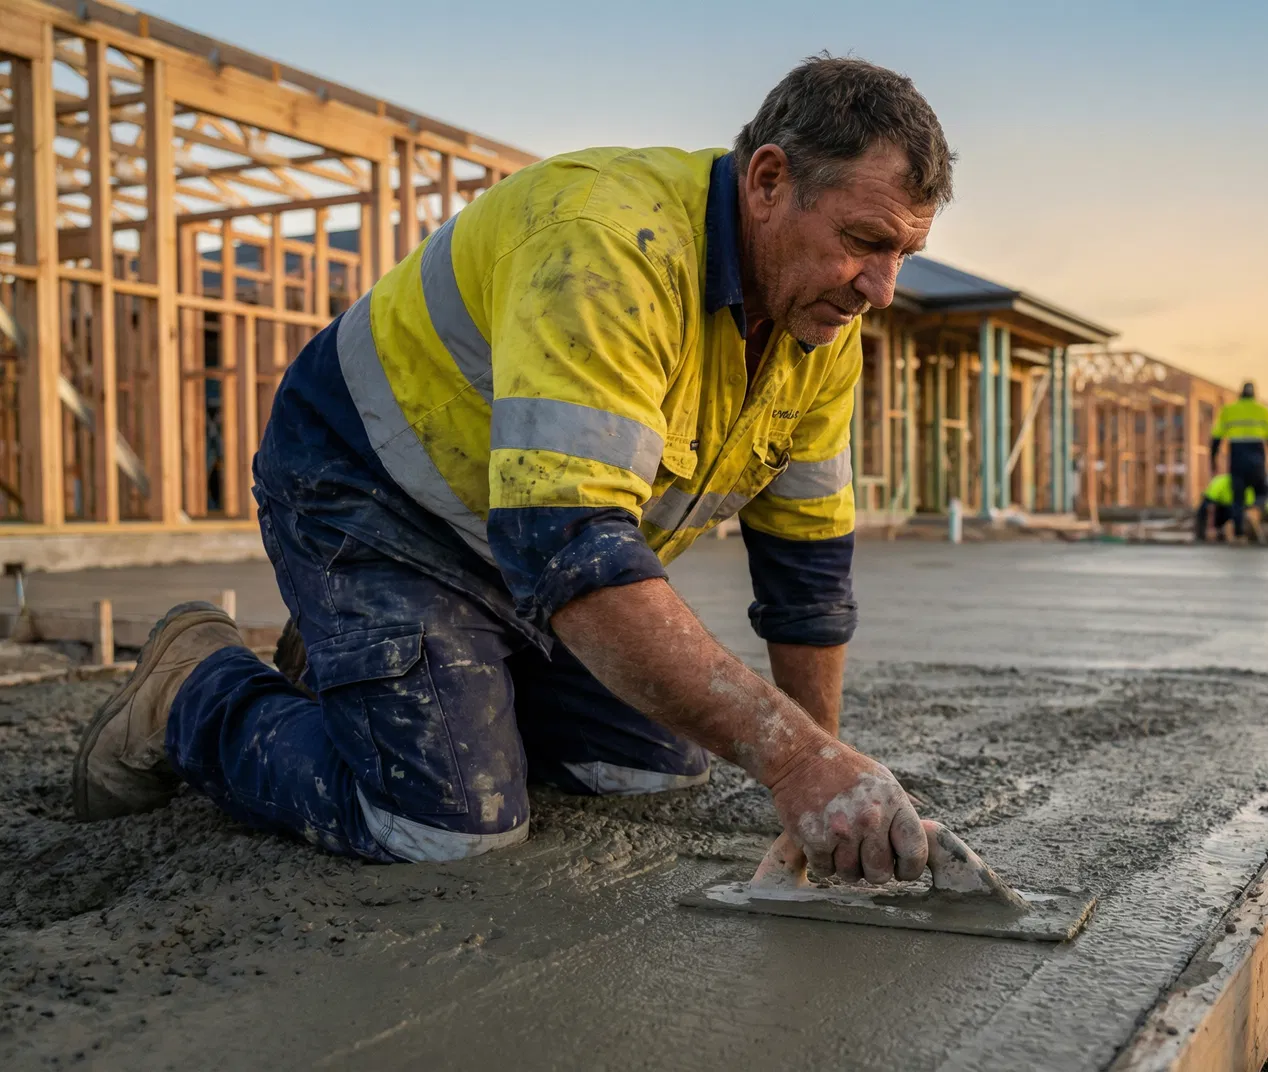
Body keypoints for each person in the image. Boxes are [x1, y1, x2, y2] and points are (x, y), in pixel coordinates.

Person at [72, 58, 954, 885]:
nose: (880, 287)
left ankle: (383, 674)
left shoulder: (819, 327)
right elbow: (570, 547)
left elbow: (806, 574)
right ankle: (197, 688)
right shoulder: (610, 248)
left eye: (902, 254)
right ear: (768, 182)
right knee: (448, 829)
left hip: (521, 550)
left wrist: (820, 782)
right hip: (373, 500)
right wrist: (795, 759)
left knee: (650, 770)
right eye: (862, 240)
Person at [1209, 383, 1268, 541]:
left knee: (1238, 499)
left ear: (1240, 394)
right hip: (1256, 455)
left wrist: (1213, 460)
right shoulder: (1262, 410)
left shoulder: (1229, 411)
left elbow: (1216, 438)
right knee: (1262, 492)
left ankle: (1239, 534)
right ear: (1254, 395)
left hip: (1237, 456)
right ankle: (1253, 510)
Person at [1193, 473, 1268, 542]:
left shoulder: (1249, 488)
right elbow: (1210, 508)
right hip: (1218, 509)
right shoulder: (1220, 482)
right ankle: (1201, 534)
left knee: (1246, 513)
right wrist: (1210, 528)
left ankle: (1241, 534)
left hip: (1234, 510)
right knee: (1203, 509)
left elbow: (1267, 503)